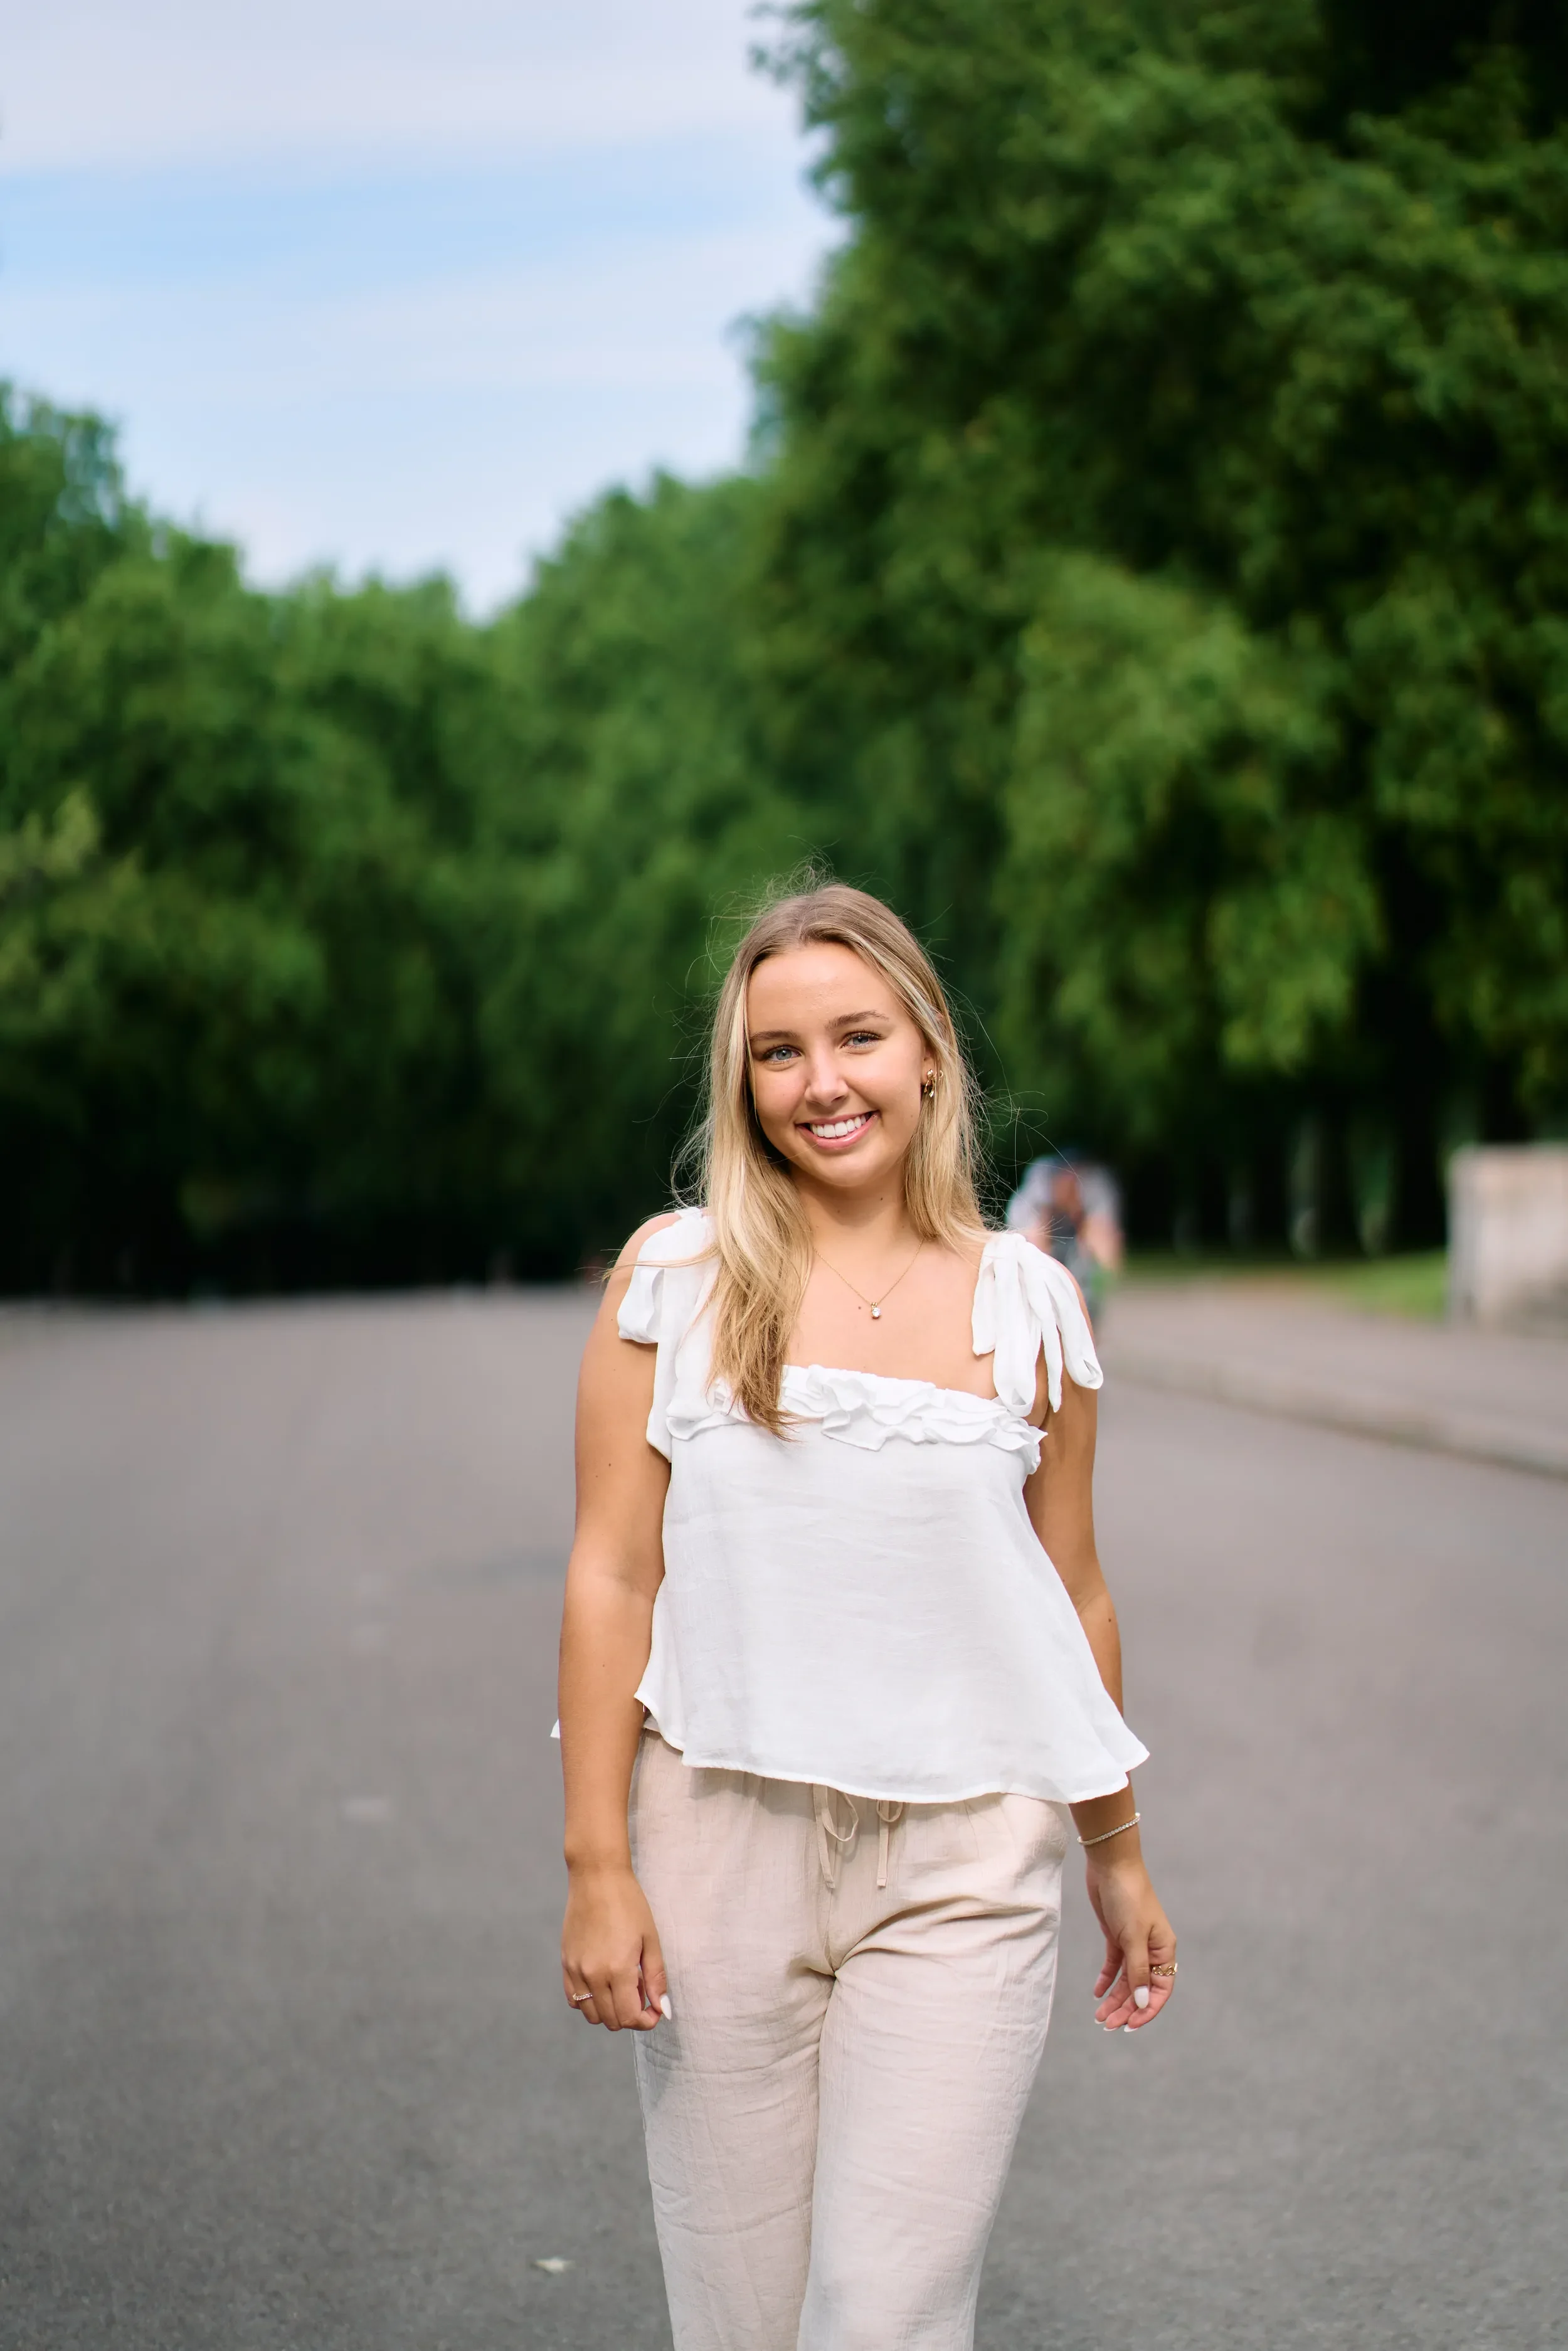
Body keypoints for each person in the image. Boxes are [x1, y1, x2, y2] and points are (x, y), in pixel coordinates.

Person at [557, 884, 1176, 2351]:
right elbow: (609, 1575)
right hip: (715, 1848)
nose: (820, 1082)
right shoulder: (675, 1280)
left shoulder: (1028, 1307)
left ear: (928, 1053)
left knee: (881, 2319)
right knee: (742, 2323)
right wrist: (597, 1863)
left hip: (966, 1860)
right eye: (777, 1052)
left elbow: (1064, 1593)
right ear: (743, 1077)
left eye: (855, 1037)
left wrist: (1117, 1849)